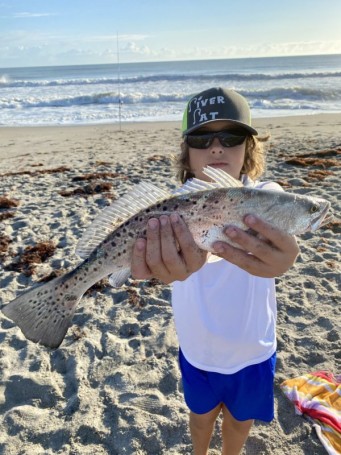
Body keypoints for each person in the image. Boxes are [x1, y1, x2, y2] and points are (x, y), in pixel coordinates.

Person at [131, 87, 299, 455]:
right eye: (202, 138)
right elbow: (153, 263)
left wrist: (284, 258)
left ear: (248, 149)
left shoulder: (265, 197)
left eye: (232, 136)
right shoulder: (166, 214)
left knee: (240, 423)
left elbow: (282, 252)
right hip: (198, 348)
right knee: (200, 416)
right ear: (186, 154)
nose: (217, 147)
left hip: (253, 350)